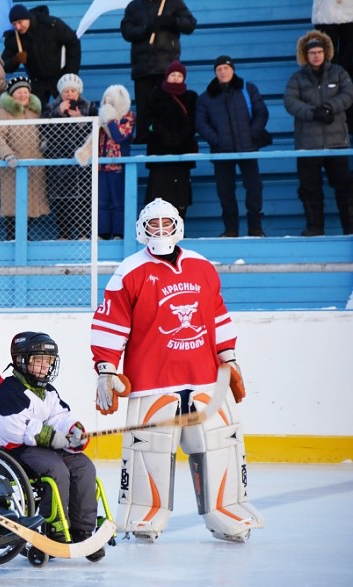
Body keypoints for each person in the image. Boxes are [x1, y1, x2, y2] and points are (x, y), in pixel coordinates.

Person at [90, 198, 265, 543]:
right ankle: (145, 515)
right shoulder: (129, 270)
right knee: (148, 448)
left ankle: (227, 510)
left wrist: (228, 357)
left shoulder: (202, 266)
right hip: (151, 381)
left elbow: (217, 315)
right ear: (142, 229)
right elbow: (111, 323)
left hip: (204, 377)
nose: (159, 231)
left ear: (177, 226)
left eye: (165, 224)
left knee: (220, 443)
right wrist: (106, 368)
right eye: (152, 225)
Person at [0, 331, 104, 562]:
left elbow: (59, 416)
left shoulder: (48, 392)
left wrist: (71, 431)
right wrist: (50, 437)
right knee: (55, 469)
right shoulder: (7, 392)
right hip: (10, 450)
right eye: (39, 361)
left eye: (48, 362)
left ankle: (83, 529)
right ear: (21, 361)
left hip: (36, 448)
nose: (45, 367)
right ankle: (55, 527)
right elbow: (15, 428)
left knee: (83, 466)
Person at [284, 30, 353, 236]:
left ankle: (350, 227)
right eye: (312, 52)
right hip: (307, 144)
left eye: (319, 51)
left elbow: (348, 94)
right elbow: (290, 102)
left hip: (337, 143)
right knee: (310, 188)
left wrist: (330, 108)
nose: (316, 55)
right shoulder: (296, 78)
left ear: (326, 53)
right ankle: (315, 228)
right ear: (306, 55)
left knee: (345, 187)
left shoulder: (339, 73)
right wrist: (313, 113)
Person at [196, 55, 269, 238]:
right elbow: (200, 122)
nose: (223, 72)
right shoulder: (207, 96)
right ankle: (231, 230)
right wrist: (216, 139)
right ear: (215, 73)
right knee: (225, 192)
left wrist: (252, 135)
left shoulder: (248, 89)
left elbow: (261, 113)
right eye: (219, 69)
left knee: (254, 188)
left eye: (226, 68)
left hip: (248, 149)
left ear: (233, 70)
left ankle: (255, 228)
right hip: (221, 152)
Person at [120, 0, 196, 144]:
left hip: (167, 66)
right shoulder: (134, 6)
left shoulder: (173, 3)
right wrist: (146, 29)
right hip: (142, 66)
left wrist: (170, 21)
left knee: (168, 105)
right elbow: (126, 31)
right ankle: (144, 139)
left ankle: (169, 137)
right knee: (144, 106)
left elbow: (190, 24)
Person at [0, 76, 48, 241]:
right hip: (12, 167)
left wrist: (44, 143)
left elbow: (43, 132)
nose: (23, 95)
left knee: (32, 204)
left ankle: (24, 237)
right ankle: (12, 238)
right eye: (19, 92)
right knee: (12, 205)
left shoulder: (34, 113)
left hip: (34, 167)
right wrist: (8, 155)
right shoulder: (4, 113)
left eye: (25, 91)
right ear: (12, 95)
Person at [41, 73, 97, 240]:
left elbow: (94, 133)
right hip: (60, 161)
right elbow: (44, 131)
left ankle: (84, 234)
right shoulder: (51, 108)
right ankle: (64, 234)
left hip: (82, 163)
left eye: (73, 90)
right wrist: (59, 112)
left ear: (78, 91)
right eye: (66, 91)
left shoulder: (88, 107)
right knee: (62, 200)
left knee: (84, 200)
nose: (70, 94)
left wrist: (80, 119)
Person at [144, 60, 197, 219]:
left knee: (180, 194)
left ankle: (179, 225)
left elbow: (193, 122)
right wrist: (163, 134)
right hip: (159, 152)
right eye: (173, 74)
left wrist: (179, 138)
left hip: (183, 151)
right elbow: (149, 121)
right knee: (159, 192)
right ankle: (158, 227)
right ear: (167, 76)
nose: (175, 78)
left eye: (179, 75)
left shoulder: (191, 97)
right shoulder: (155, 95)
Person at [1, 4, 81, 106]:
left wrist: (70, 74)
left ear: (27, 18)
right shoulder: (14, 38)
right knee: (36, 114)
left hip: (59, 76)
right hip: (36, 81)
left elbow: (73, 42)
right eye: (14, 24)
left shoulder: (51, 25)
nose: (18, 27)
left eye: (20, 22)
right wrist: (15, 60)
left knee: (69, 109)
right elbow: (4, 65)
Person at [95, 84, 134, 240]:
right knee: (102, 201)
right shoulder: (99, 118)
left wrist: (110, 119)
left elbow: (119, 136)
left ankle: (119, 232)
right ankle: (103, 232)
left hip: (118, 165)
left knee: (118, 201)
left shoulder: (128, 117)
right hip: (101, 165)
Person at [313, 0, 353, 128]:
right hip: (326, 12)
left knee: (348, 69)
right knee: (326, 68)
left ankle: (348, 119)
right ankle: (329, 116)